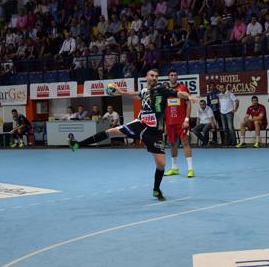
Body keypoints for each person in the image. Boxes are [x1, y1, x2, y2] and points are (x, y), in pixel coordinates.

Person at [68, 69, 195, 201]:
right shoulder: (145, 91)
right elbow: (135, 94)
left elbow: (179, 93)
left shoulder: (161, 89)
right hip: (140, 124)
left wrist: (189, 96)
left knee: (161, 164)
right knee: (111, 132)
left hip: (153, 131)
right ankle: (77, 144)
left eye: (156, 76)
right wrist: (121, 92)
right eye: (152, 75)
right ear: (146, 77)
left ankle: (156, 190)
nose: (154, 78)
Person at [164, 69, 195, 178]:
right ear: (169, 77)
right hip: (170, 122)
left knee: (185, 143)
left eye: (175, 75)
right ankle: (174, 168)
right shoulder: (165, 90)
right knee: (172, 144)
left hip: (181, 122)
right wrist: (165, 124)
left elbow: (189, 104)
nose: (173, 76)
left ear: (177, 77)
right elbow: (164, 107)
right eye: (171, 75)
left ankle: (190, 169)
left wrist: (187, 119)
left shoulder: (183, 88)